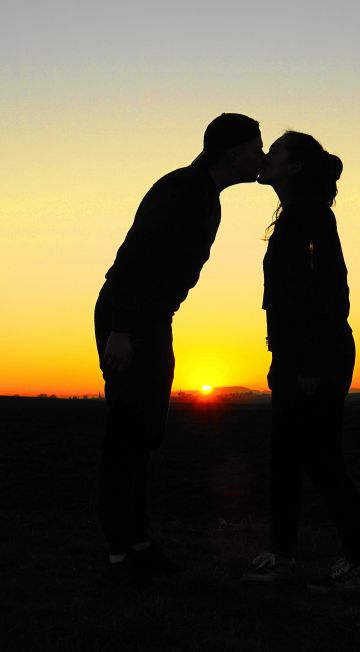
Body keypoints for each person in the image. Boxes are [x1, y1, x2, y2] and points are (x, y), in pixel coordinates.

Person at [95, 113, 264, 581]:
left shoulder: (201, 193)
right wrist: (124, 330)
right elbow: (137, 257)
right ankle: (121, 556)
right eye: (256, 149)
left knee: (143, 432)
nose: (261, 157)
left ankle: (138, 544)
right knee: (128, 434)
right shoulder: (183, 191)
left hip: (148, 318)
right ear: (233, 155)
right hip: (130, 318)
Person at [242, 131, 360, 591]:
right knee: (286, 457)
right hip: (296, 355)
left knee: (321, 460)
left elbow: (333, 294)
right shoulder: (295, 218)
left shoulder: (311, 218)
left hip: (317, 358)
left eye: (273, 152)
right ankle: (283, 555)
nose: (265, 157)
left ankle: (356, 559)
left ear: (292, 167)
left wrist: (309, 363)